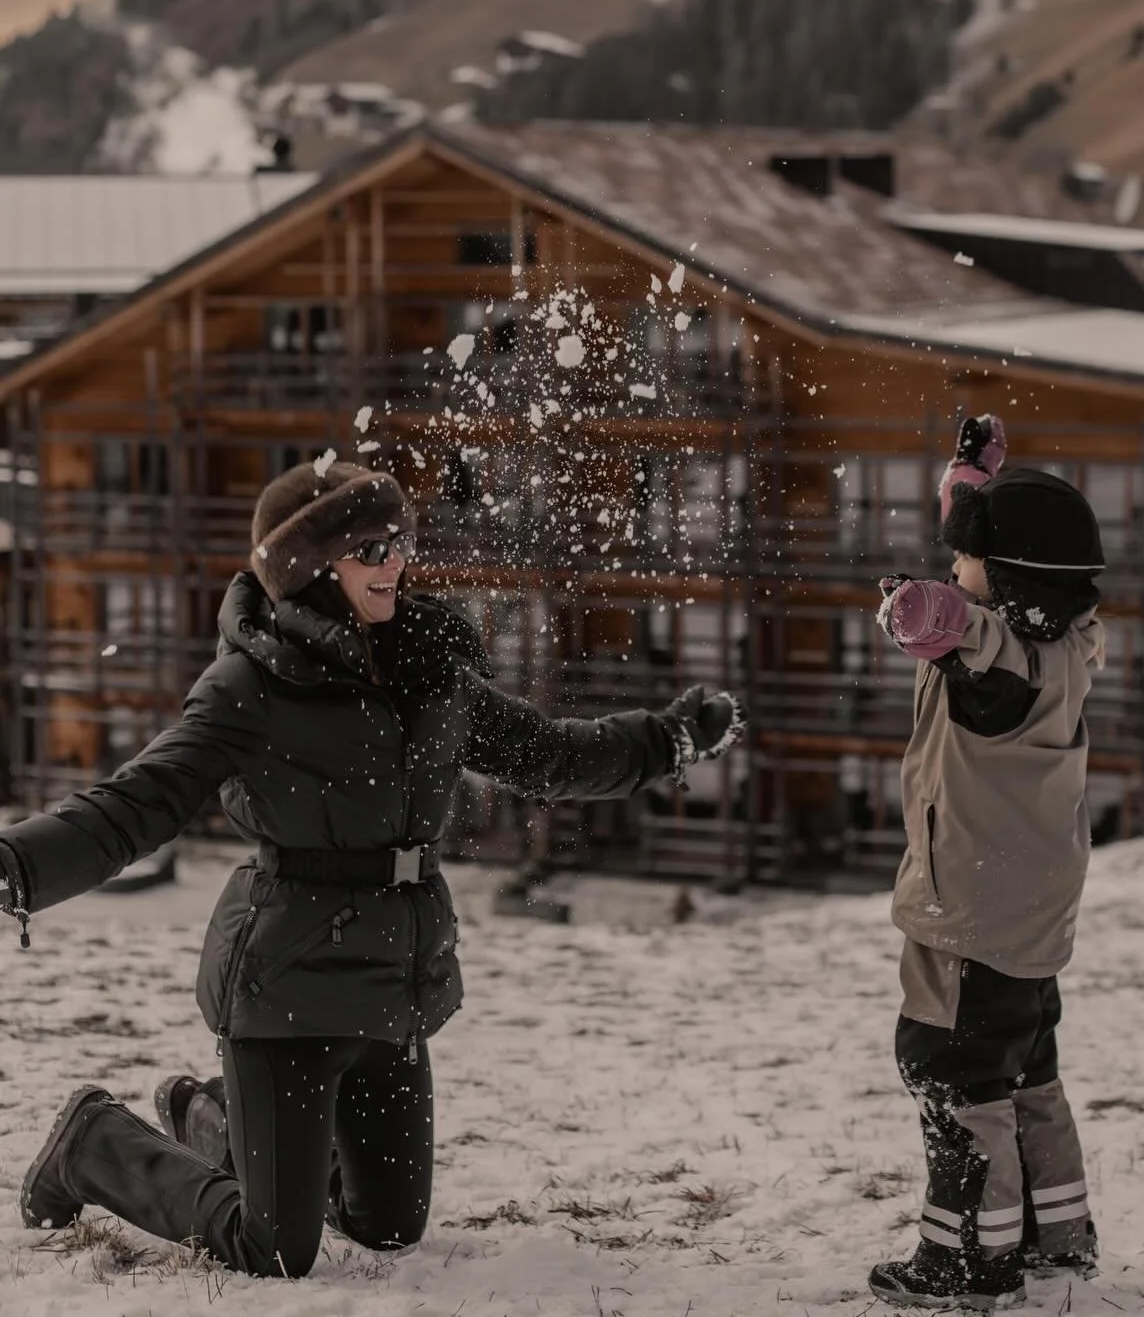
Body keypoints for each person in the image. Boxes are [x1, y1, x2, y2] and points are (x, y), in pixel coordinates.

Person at [0, 460, 742, 1279]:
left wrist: (665, 740)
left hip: (394, 983)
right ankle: (95, 1143)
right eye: (371, 548)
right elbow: (136, 803)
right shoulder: (248, 685)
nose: (395, 562)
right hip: (283, 991)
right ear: (313, 570)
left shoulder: (430, 673)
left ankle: (210, 1119)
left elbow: (548, 753)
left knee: (388, 1228)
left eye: (401, 542)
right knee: (274, 1248)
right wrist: (16, 866)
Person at [867, 416, 1104, 1311]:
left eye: (967, 559)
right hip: (1033, 904)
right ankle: (1057, 1232)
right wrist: (969, 482)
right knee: (1022, 1067)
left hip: (969, 908)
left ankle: (969, 1255)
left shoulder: (993, 665)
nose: (952, 568)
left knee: (949, 1065)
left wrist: (907, 604)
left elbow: (934, 616)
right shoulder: (1069, 643)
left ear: (1003, 584)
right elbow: (971, 594)